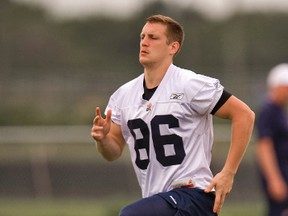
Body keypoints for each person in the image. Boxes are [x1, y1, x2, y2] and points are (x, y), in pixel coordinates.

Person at [91, 14, 255, 216]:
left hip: (192, 196)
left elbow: (244, 115)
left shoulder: (189, 84)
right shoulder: (124, 95)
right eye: (142, 36)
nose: (144, 42)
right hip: (159, 200)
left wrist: (228, 172)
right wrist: (102, 138)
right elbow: (113, 151)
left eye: (153, 37)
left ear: (173, 47)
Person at [255, 63, 288, 216]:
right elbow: (264, 146)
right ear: (279, 87)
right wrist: (274, 179)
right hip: (279, 176)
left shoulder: (279, 110)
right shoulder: (269, 111)